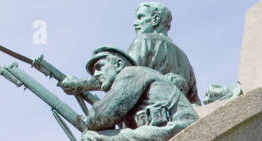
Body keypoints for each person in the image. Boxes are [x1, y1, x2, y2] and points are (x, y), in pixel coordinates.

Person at [61, 3, 200, 105]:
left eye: (140, 18)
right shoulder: (184, 59)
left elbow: (122, 75)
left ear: (155, 20)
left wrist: (79, 84)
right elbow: (194, 101)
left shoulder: (144, 40)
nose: (135, 23)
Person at [75, 48, 198, 141]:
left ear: (118, 64)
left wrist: (88, 121)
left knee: (90, 140)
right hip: (169, 134)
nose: (96, 74)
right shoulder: (135, 81)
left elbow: (102, 116)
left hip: (176, 132)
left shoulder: (131, 73)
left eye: (99, 67)